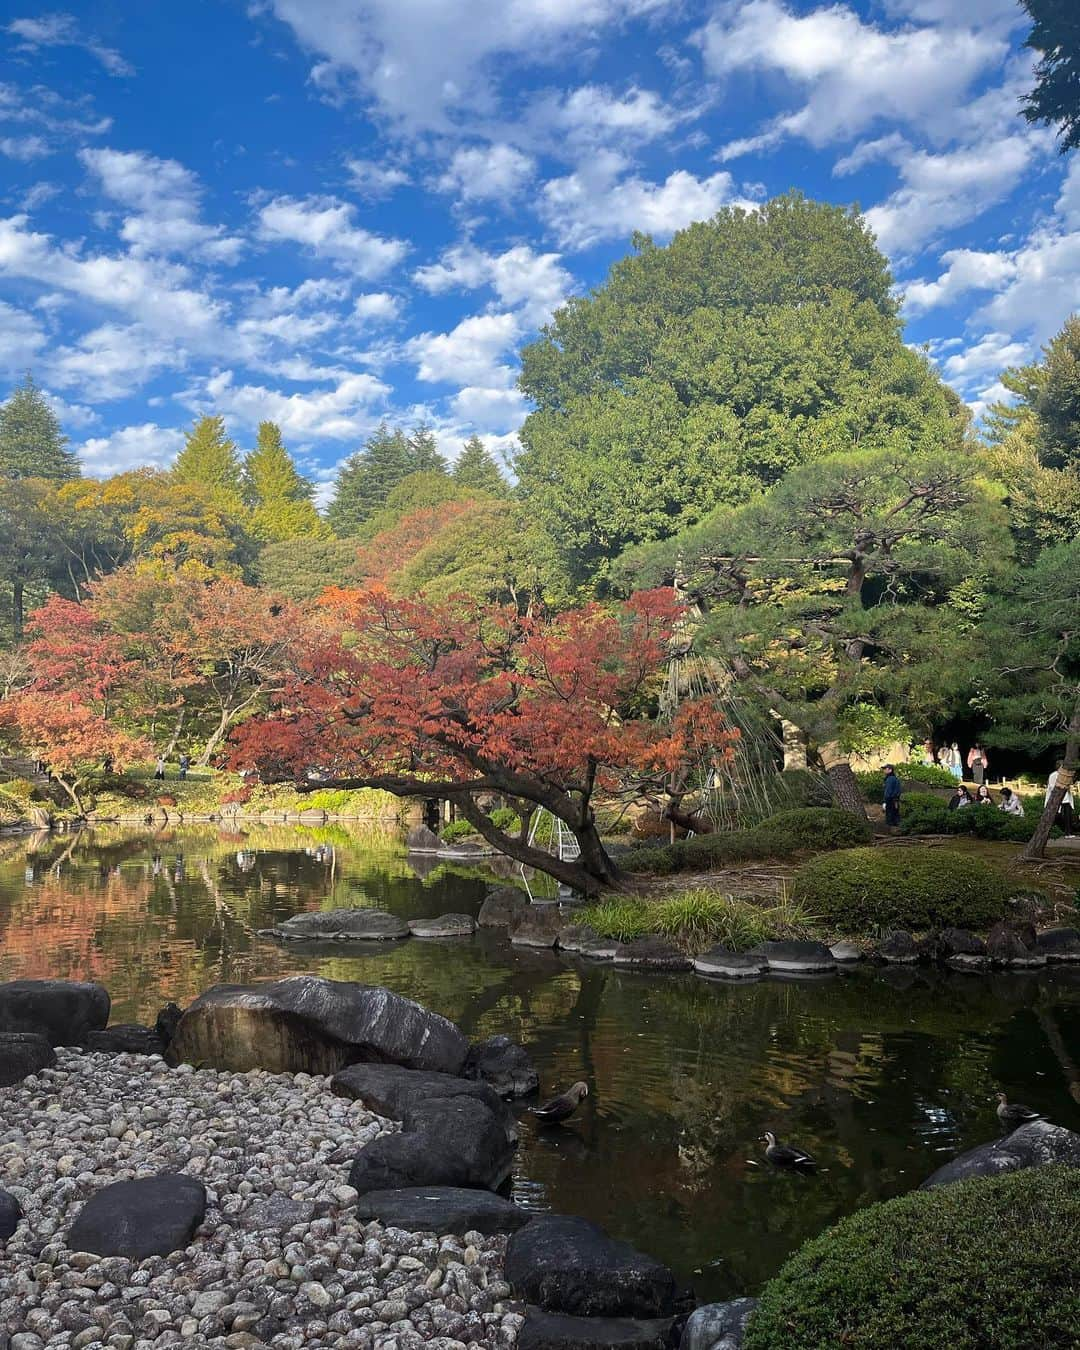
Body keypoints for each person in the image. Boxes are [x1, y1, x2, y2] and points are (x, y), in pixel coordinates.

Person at [1046, 766, 1076, 837]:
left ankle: (1068, 832)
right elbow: (1052, 786)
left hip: (1066, 799)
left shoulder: (1065, 775)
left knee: (1068, 816)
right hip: (1056, 798)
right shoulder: (1053, 775)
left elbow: (1069, 784)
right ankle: (1054, 832)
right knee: (1055, 816)